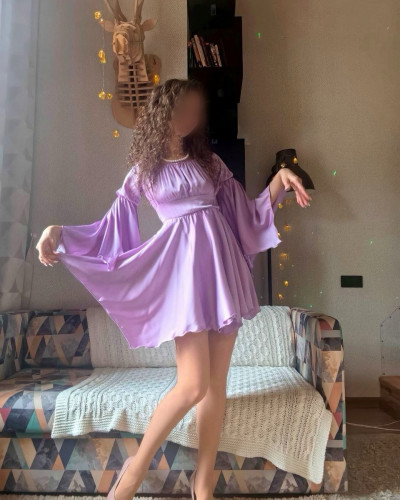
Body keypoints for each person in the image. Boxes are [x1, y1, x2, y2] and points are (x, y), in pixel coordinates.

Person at [36, 78, 311, 500]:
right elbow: (109, 229)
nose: (189, 117)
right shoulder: (144, 172)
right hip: (185, 280)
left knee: (215, 386)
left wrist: (280, 179)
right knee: (192, 385)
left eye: (195, 111)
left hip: (223, 273)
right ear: (162, 110)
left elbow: (247, 213)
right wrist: (60, 232)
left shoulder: (209, 162)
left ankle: (203, 483)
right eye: (182, 108)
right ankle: (135, 469)